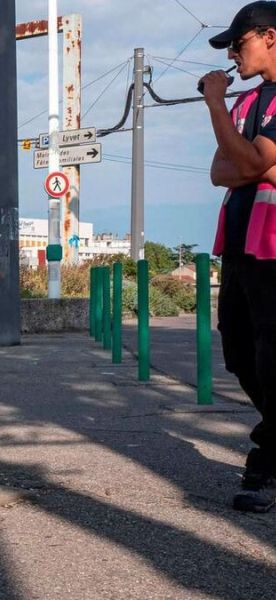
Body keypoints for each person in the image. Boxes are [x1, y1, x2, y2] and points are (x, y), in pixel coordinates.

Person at [202, 1, 276, 512]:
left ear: (270, 36)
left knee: (273, 357)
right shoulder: (245, 105)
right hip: (237, 242)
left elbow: (247, 159)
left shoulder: (231, 104)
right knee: (238, 351)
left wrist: (212, 104)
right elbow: (221, 172)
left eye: (239, 40)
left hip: (274, 244)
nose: (232, 52)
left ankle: (265, 461)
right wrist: (256, 166)